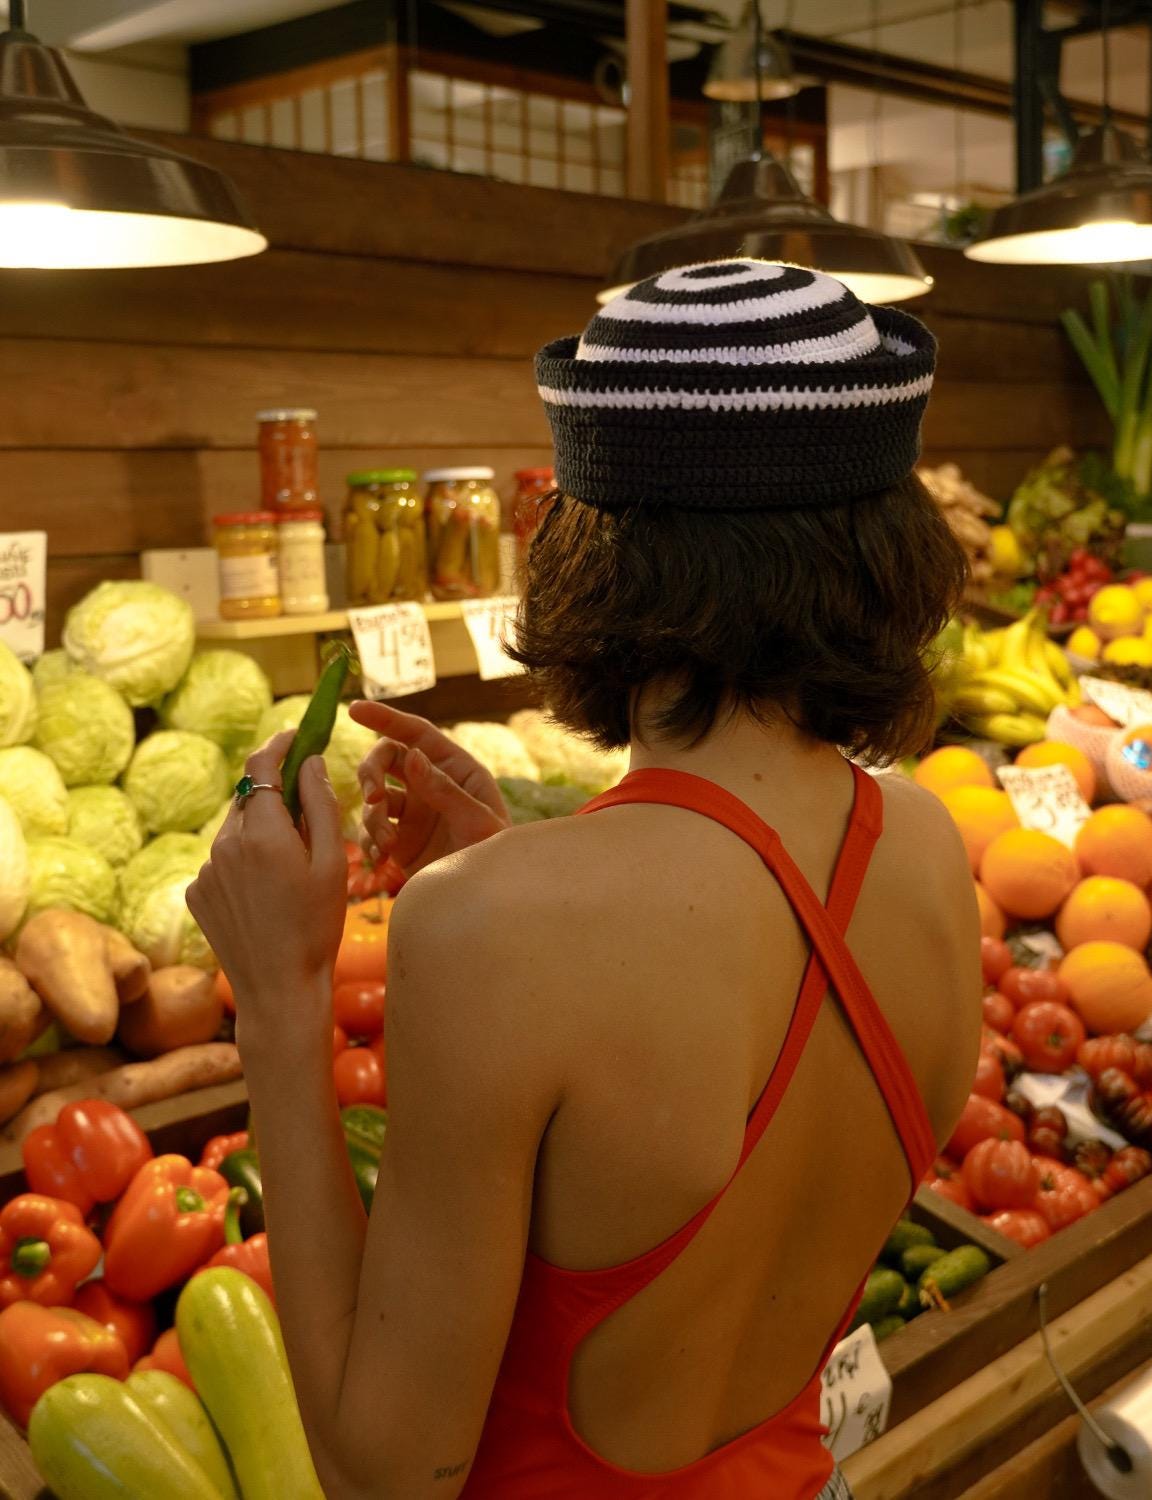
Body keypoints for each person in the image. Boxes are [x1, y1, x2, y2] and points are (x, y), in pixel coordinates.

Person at [188, 258, 981, 1500]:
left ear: (589, 549)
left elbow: (384, 1476)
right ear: (887, 549)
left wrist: (279, 1007)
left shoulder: (491, 933)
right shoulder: (930, 847)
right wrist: (514, 878)